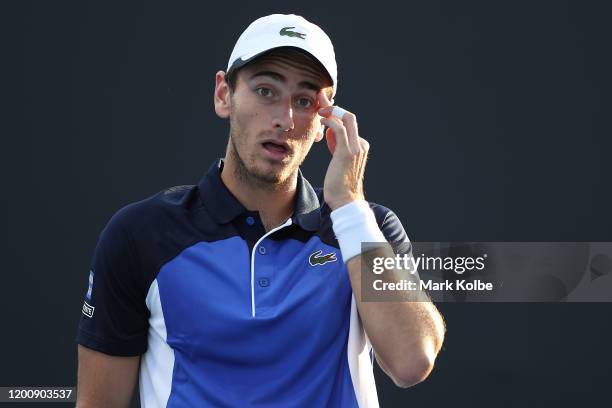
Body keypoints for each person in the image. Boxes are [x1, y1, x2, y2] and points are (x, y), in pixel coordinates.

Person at [75, 13, 445, 408]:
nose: (284, 119)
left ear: (325, 123)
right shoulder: (140, 233)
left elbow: (412, 361)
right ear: (224, 95)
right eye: (266, 91)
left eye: (304, 101)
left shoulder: (364, 228)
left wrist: (350, 205)